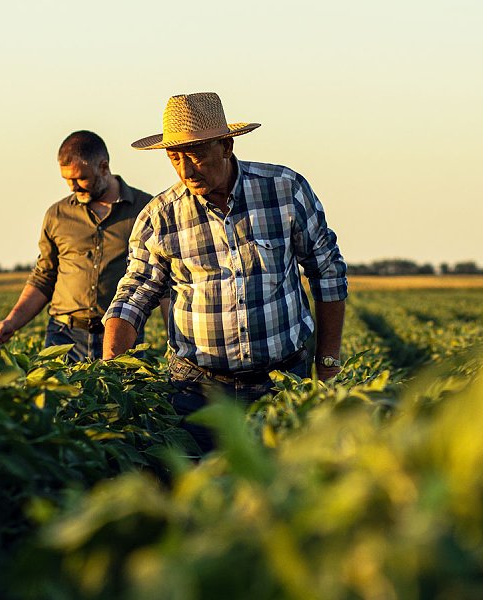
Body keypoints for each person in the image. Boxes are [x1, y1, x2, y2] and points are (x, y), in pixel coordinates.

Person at [102, 92, 348, 452]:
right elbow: (133, 298)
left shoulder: (284, 190)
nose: (186, 169)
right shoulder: (159, 217)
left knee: (284, 494)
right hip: (197, 392)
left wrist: (327, 364)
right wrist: (113, 371)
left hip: (282, 384)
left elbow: (327, 271)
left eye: (197, 155)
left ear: (226, 145)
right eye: (175, 158)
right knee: (199, 496)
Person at [0, 131, 160, 362]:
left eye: (81, 178)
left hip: (121, 333)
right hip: (63, 336)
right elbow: (44, 277)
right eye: (67, 179)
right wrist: (11, 322)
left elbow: (162, 281)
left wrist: (172, 340)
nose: (73, 187)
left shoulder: (145, 210)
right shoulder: (58, 215)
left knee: (121, 397)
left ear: (104, 167)